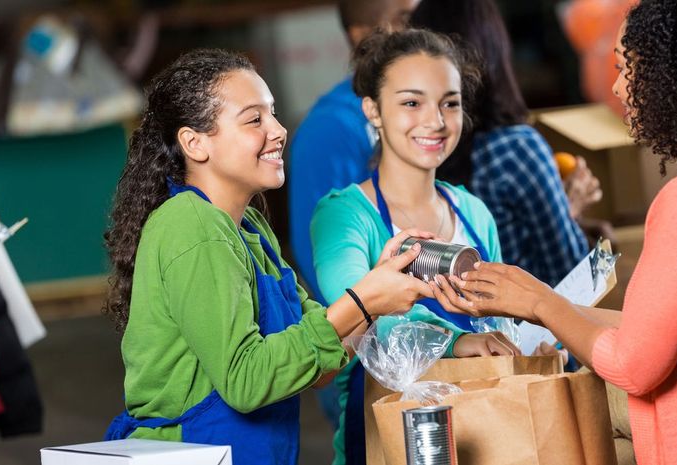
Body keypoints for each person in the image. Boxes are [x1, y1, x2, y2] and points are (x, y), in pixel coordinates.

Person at [432, 0, 677, 463]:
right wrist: (539, 304)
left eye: (624, 68)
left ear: (674, 78)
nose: (615, 86)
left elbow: (633, 365)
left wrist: (540, 302)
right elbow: (658, 335)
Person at [101, 48, 436, 465]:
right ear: (195, 143)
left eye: (273, 114)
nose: (278, 130)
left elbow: (320, 367)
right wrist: (363, 301)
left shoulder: (249, 229)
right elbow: (247, 382)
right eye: (254, 119)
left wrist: (376, 297)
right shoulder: (192, 226)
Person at [310, 29, 519, 465]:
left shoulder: (475, 214)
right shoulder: (344, 216)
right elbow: (358, 306)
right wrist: (459, 343)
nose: (436, 121)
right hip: (384, 444)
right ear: (373, 111)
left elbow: (501, 319)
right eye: (411, 103)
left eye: (450, 102)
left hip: (490, 435)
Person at [410, 0, 600, 288]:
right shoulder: (514, 149)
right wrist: (567, 209)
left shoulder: (408, 149)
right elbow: (573, 279)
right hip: (520, 328)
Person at [288, 0, 420, 304]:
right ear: (362, 35)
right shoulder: (329, 128)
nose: (420, 30)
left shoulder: (428, 112)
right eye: (405, 19)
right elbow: (321, 257)